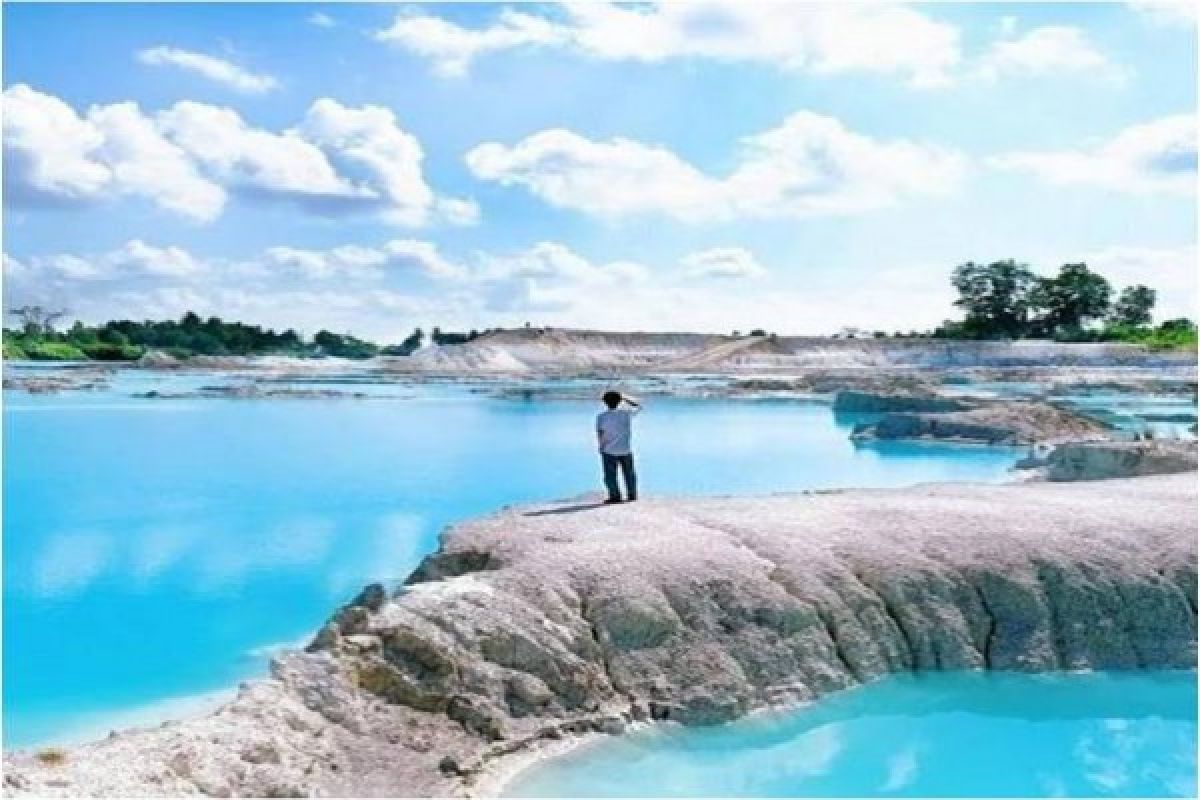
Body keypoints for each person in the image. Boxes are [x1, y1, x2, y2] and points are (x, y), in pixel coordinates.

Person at [596, 390, 640, 503]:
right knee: (629, 473)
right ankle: (632, 494)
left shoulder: (601, 417)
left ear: (605, 403)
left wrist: (601, 446)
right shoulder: (626, 414)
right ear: (619, 401)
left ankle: (615, 496)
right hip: (625, 449)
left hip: (609, 449)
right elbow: (638, 406)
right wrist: (624, 398)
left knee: (610, 475)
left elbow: (600, 433)